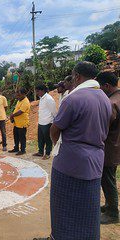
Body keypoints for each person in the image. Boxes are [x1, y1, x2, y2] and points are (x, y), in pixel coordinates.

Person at [49, 62, 112, 239]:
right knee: (88, 207)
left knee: (63, 207)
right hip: (96, 161)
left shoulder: (73, 99)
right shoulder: (104, 98)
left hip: (70, 163)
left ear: (77, 76)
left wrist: (57, 145)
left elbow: (55, 129)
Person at [96, 71, 120, 224]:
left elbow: (103, 127)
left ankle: (113, 213)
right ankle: (109, 205)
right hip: (116, 146)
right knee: (109, 177)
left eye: (100, 87)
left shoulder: (111, 103)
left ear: (106, 86)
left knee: (107, 179)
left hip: (110, 148)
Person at [33, 84, 56, 159]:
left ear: (42, 90)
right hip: (41, 122)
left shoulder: (49, 99)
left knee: (48, 139)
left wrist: (53, 122)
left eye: (37, 91)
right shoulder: (42, 98)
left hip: (47, 122)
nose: (37, 93)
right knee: (40, 138)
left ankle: (48, 153)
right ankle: (40, 152)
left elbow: (54, 111)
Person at [9, 88, 30, 155]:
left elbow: (20, 112)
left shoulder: (26, 101)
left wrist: (12, 115)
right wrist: (12, 116)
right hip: (16, 123)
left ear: (24, 94)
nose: (18, 97)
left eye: (19, 95)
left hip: (22, 123)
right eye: (17, 95)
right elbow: (16, 109)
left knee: (22, 137)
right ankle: (16, 148)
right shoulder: (19, 100)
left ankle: (23, 150)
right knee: (16, 136)